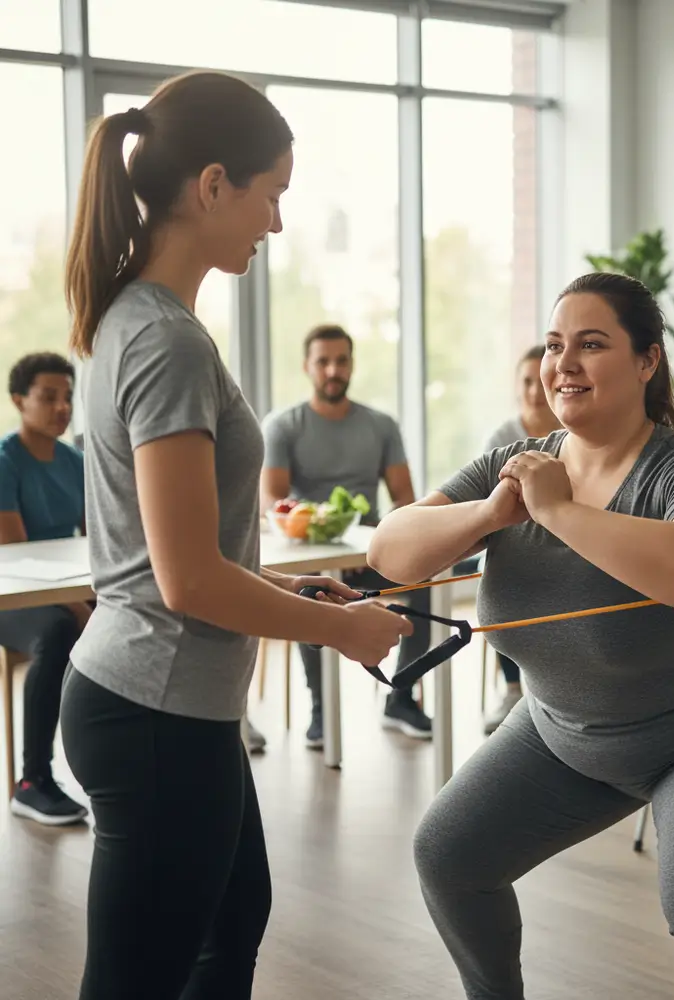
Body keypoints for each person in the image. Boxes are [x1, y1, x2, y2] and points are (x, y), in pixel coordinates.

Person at [59, 70, 411, 1000]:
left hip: (166, 701)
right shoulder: (164, 339)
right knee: (144, 978)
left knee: (232, 922)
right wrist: (340, 630)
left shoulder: (138, 319)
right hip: (155, 711)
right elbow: (185, 582)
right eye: (272, 196)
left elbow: (170, 560)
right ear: (213, 185)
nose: (277, 223)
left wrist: (296, 595)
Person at [368, 272, 674, 1000]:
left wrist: (559, 514)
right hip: (565, 732)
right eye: (553, 345)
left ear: (647, 361)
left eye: (592, 344)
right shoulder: (514, 466)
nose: (562, 364)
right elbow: (391, 550)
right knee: (451, 856)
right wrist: (487, 515)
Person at [260, 323, 433, 743]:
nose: (333, 370)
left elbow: (406, 502)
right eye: (323, 362)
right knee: (308, 592)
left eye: (341, 361)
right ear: (307, 367)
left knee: (426, 580)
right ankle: (320, 710)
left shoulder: (381, 426)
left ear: (352, 365)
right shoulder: (283, 426)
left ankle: (402, 697)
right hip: (310, 555)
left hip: (372, 552)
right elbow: (273, 504)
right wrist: (330, 556)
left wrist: (376, 551)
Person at [0, 352, 89, 825]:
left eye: (67, 397)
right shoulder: (4, 462)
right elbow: (20, 561)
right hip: (13, 596)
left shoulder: (75, 461)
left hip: (63, 589)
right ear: (19, 400)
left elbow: (95, 538)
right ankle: (33, 781)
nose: (62, 407)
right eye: (48, 397)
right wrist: (80, 607)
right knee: (56, 630)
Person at [480, 344, 561, 734]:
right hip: (516, 536)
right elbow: (489, 502)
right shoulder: (502, 437)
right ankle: (513, 689)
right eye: (525, 382)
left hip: (566, 536)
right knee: (506, 577)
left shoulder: (572, 432)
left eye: (537, 381)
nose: (532, 391)